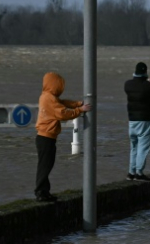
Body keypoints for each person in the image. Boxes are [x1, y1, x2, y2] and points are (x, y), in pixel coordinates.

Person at [35, 71, 91, 202]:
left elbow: (63, 103)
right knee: (45, 166)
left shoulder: (48, 96)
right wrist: (80, 110)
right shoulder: (48, 98)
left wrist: (77, 104)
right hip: (46, 137)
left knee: (46, 165)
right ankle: (40, 192)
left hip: (46, 137)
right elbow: (62, 113)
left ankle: (44, 191)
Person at [124, 62, 150, 181]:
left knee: (134, 147)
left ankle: (131, 173)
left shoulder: (128, 85)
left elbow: (140, 86)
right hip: (145, 121)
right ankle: (139, 173)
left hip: (132, 121)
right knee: (143, 147)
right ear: (145, 72)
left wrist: (148, 81)